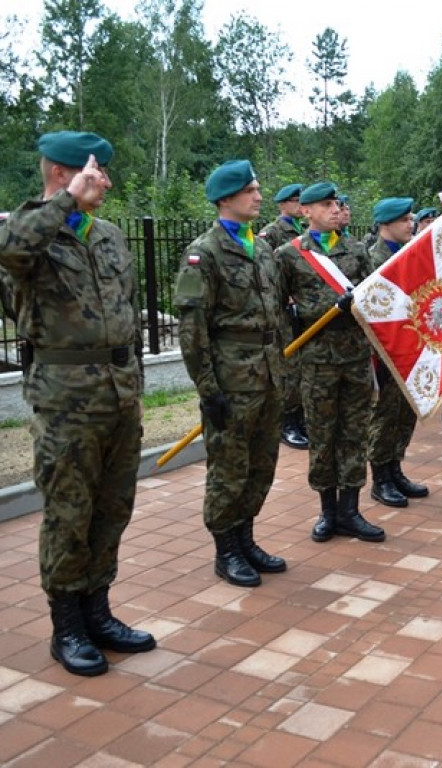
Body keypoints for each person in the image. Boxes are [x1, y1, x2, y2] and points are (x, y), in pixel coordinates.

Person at [0, 131, 156, 676]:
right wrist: (64, 202)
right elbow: (11, 246)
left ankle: (99, 612)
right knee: (69, 512)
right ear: (64, 174)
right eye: (98, 172)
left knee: (113, 508)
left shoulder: (109, 236)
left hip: (119, 394)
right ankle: (66, 626)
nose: (107, 182)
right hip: (66, 399)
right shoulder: (29, 235)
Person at [174, 159, 288, 588]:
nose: (259, 196)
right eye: (250, 190)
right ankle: (226, 550)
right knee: (229, 468)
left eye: (258, 189)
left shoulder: (260, 249)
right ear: (225, 198)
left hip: (268, 375)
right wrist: (208, 389)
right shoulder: (201, 254)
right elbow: (190, 327)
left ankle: (246, 538)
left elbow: (276, 314)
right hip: (231, 379)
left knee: (262, 464)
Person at [275, 182, 385, 543]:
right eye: (326, 205)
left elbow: (375, 296)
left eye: (337, 203)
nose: (336, 209)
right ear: (306, 211)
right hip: (317, 361)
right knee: (322, 436)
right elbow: (279, 309)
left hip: (354, 356)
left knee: (354, 434)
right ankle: (327, 512)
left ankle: (350, 511)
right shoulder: (289, 255)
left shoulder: (356, 250)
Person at [365, 197, 430, 507]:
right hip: (385, 351)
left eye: (411, 219)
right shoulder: (373, 258)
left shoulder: (409, 254)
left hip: (411, 348)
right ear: (385, 224)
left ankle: (395, 468)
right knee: (385, 415)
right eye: (404, 220)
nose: (411, 224)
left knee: (405, 413)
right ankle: (380, 477)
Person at [259, 183, 310, 451]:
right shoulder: (273, 231)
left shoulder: (305, 231)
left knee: (302, 366)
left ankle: (300, 419)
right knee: (290, 367)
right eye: (294, 201)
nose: (299, 205)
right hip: (284, 312)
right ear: (282, 205)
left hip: (304, 309)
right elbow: (266, 269)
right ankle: (287, 422)